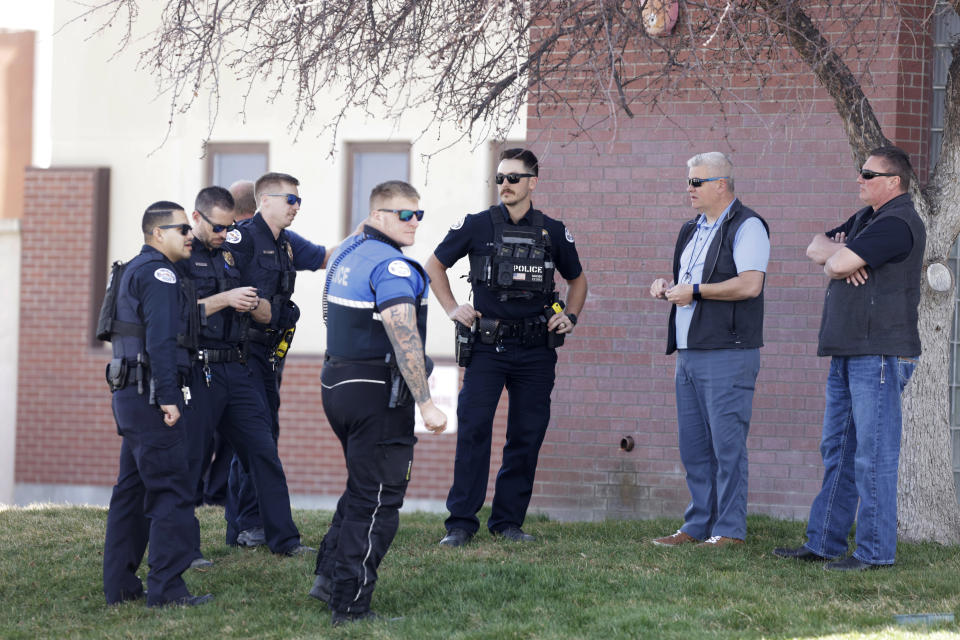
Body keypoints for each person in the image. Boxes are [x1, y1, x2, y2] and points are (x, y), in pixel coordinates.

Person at [773, 146, 925, 571]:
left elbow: (837, 257)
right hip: (848, 351)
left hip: (878, 354)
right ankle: (824, 542)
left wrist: (842, 259)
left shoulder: (898, 222)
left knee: (872, 454)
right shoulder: (866, 220)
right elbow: (815, 246)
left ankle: (876, 552)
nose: (859, 179)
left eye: (868, 174)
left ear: (893, 182)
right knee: (838, 449)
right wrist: (840, 260)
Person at [425, 148, 587, 547]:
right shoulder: (477, 225)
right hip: (487, 349)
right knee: (475, 432)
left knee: (526, 434)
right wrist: (451, 308)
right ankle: (461, 524)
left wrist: (571, 315)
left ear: (533, 181)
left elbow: (578, 281)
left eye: (513, 178)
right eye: (499, 179)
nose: (505, 186)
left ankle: (507, 522)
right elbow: (433, 265)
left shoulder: (552, 230)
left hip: (536, 351)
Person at [310, 180, 447, 625]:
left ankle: (328, 578)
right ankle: (350, 606)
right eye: (404, 214)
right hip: (377, 393)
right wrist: (426, 403)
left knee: (361, 484)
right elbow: (401, 330)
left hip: (338, 383)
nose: (414, 223)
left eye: (418, 214)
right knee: (380, 499)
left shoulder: (350, 252)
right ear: (380, 216)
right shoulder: (395, 268)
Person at [182, 186, 313, 558]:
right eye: (219, 227)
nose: (226, 234)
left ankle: (284, 540)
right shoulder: (183, 259)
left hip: (238, 366)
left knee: (263, 450)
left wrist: (257, 308)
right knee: (191, 463)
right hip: (200, 369)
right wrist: (226, 299)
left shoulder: (230, 255)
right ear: (196, 218)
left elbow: (267, 311)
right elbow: (175, 313)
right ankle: (186, 551)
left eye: (229, 226)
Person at [648, 151, 770, 549]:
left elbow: (751, 284)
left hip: (727, 351)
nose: (689, 189)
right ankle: (698, 525)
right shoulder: (691, 228)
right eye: (688, 181)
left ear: (722, 184)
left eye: (696, 182)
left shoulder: (748, 225)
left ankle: (730, 530)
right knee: (695, 446)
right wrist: (668, 286)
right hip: (689, 351)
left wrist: (696, 290)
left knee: (727, 445)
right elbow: (691, 282)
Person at [101, 201, 213, 608]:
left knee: (131, 492)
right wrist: (168, 398)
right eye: (182, 228)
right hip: (152, 397)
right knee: (171, 491)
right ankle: (167, 590)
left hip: (129, 395)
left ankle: (120, 588)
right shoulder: (161, 273)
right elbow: (161, 341)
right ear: (157, 234)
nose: (190, 235)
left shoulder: (134, 268)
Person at [224, 171, 329, 547]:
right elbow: (227, 286)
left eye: (299, 200)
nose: (296, 206)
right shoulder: (241, 238)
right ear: (264, 199)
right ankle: (255, 527)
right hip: (239, 355)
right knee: (258, 441)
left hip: (268, 355)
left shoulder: (285, 243)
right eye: (290, 199)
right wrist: (261, 309)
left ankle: (243, 527)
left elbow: (324, 257)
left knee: (261, 438)